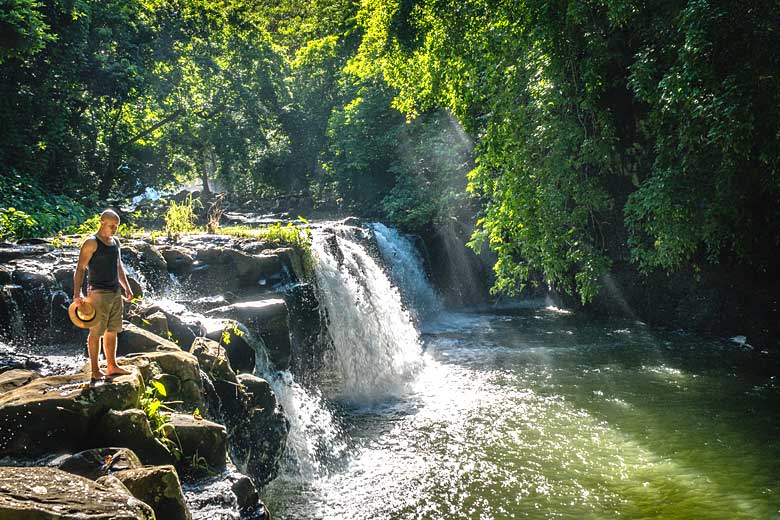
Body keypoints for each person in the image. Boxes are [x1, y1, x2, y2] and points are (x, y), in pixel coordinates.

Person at [73, 209, 134, 381]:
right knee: (96, 332)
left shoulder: (115, 242)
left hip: (115, 292)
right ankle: (94, 370)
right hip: (97, 293)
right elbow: (80, 269)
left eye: (117, 226)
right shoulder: (91, 243)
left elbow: (118, 266)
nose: (115, 229)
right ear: (102, 222)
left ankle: (112, 365)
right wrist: (77, 293)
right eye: (112, 225)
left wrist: (127, 288)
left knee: (112, 330)